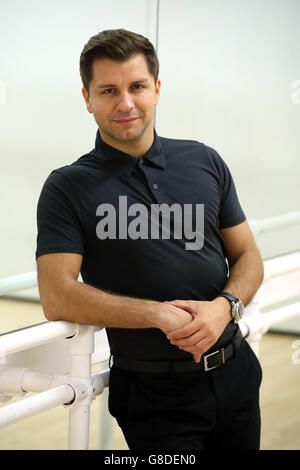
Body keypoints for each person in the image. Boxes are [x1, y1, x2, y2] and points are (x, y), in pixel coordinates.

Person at [35, 28, 264, 450]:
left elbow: (247, 253)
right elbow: (57, 295)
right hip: (153, 396)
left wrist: (224, 308)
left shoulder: (204, 160)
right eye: (108, 90)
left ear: (156, 89)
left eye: (137, 86)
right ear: (87, 99)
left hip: (237, 373)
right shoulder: (67, 188)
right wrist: (158, 315)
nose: (125, 103)